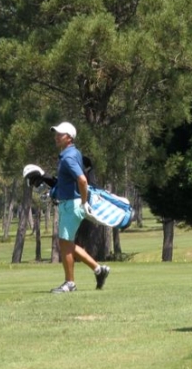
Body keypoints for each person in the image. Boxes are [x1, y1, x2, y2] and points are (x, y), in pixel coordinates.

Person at [48, 121, 110, 293]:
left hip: (71, 205)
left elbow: (82, 180)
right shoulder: (73, 153)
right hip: (70, 202)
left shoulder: (68, 157)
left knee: (65, 244)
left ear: (69, 138)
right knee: (68, 244)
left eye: (60, 134)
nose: (56, 137)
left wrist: (83, 202)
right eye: (56, 133)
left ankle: (70, 283)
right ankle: (99, 270)